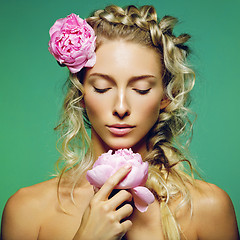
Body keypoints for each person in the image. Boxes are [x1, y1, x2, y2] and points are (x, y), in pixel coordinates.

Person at [1, 4, 239, 240]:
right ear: (81, 94)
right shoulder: (28, 211)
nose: (121, 107)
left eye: (141, 89)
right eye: (102, 88)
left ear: (166, 96)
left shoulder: (209, 209)